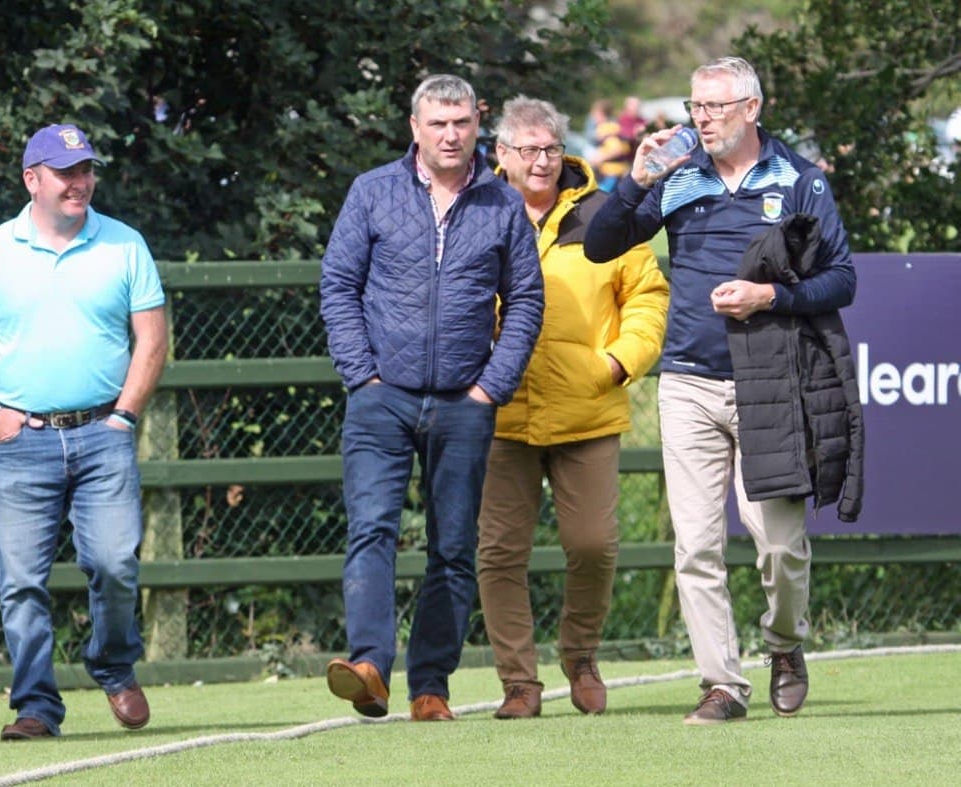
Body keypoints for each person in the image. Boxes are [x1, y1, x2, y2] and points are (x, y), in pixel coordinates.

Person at [585, 56, 857, 724]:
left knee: (779, 546)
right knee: (697, 547)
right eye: (695, 107)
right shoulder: (676, 176)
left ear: (751, 108)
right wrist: (634, 181)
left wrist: (769, 296)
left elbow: (842, 279)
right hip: (687, 381)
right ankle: (723, 684)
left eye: (715, 106)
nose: (701, 119)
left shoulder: (798, 179)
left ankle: (785, 646)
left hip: (772, 381)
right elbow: (599, 245)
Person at [319, 74, 544, 722]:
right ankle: (369, 667)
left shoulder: (503, 203)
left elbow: (526, 300)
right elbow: (338, 285)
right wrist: (362, 375)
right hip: (380, 399)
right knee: (372, 529)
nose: (450, 135)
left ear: (478, 127)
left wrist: (489, 387)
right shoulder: (372, 192)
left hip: (464, 403)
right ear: (414, 127)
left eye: (461, 123)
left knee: (452, 548)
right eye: (438, 123)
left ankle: (430, 687)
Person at [0, 123, 168, 740]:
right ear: (31, 179)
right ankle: (36, 708)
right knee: (21, 583)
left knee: (115, 564)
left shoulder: (124, 244)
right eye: (66, 172)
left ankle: (114, 665)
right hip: (23, 443)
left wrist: (124, 416)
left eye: (86, 170)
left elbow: (152, 338)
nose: (80, 182)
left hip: (103, 434)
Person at [478, 97, 669, 719]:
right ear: (501, 154)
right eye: (527, 149)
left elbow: (647, 297)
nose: (541, 161)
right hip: (498, 411)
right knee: (499, 552)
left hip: (586, 407)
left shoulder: (605, 214)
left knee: (592, 545)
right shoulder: (477, 210)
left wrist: (616, 364)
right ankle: (519, 683)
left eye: (551, 148)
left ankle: (581, 655)